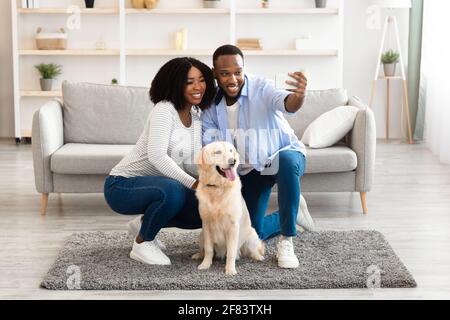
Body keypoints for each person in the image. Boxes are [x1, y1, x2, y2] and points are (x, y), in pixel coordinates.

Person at [201, 44, 312, 269]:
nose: (233, 79)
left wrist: (299, 95)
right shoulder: (211, 107)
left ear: (244, 69)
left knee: (288, 162)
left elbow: (288, 103)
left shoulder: (262, 87)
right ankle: (293, 212)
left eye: (238, 72)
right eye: (225, 74)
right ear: (215, 73)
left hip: (282, 154)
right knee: (251, 234)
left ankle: (287, 239)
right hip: (251, 171)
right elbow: (213, 148)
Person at [104, 57, 216, 266]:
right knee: (173, 190)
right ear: (175, 84)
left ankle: (144, 224)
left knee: (206, 208)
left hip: (157, 187)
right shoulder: (165, 110)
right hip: (121, 186)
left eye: (201, 80)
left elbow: (190, 163)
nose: (198, 87)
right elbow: (157, 156)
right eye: (189, 82)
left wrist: (211, 184)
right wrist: (193, 183)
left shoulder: (196, 114)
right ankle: (142, 243)